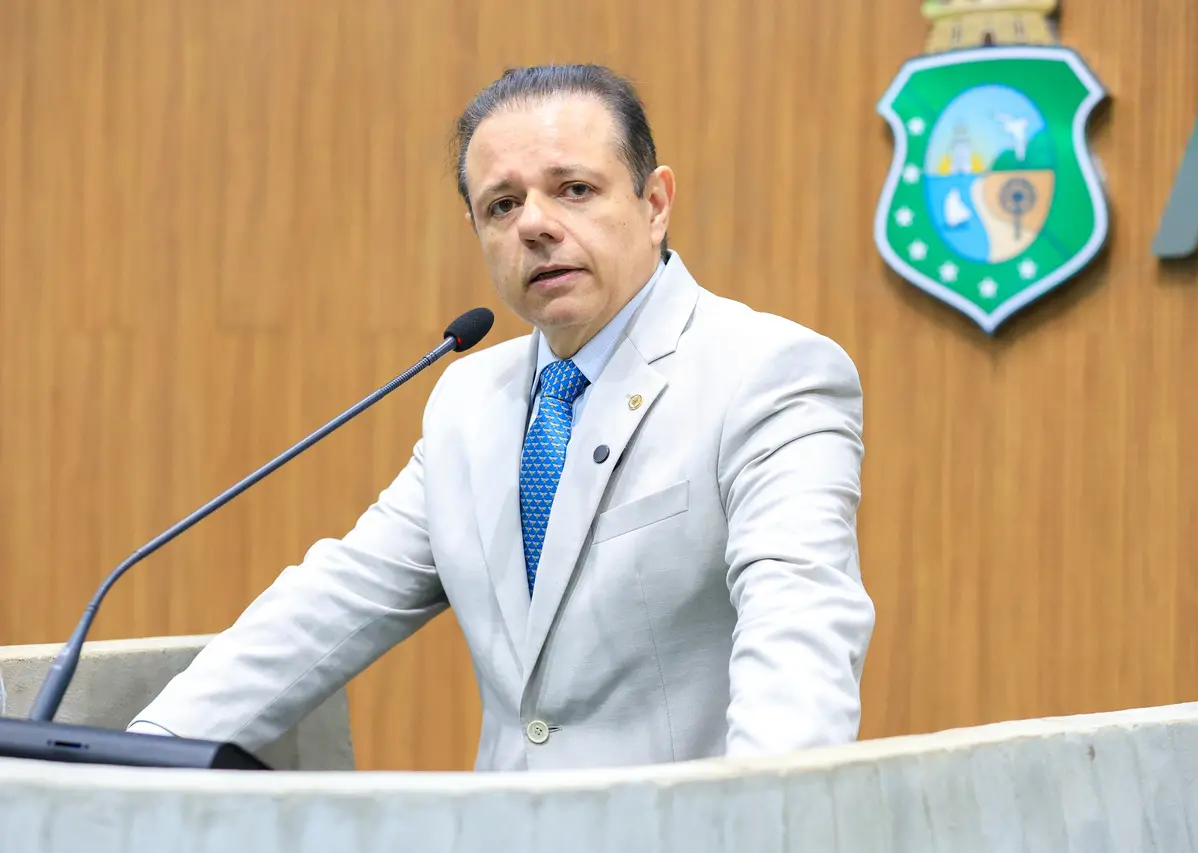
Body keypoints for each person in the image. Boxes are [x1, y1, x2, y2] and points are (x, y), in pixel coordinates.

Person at [128, 64, 875, 771]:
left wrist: (771, 824)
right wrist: (138, 757)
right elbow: (328, 608)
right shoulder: (468, 400)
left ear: (655, 205)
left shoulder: (767, 371)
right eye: (502, 205)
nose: (535, 226)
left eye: (575, 189)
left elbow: (799, 637)